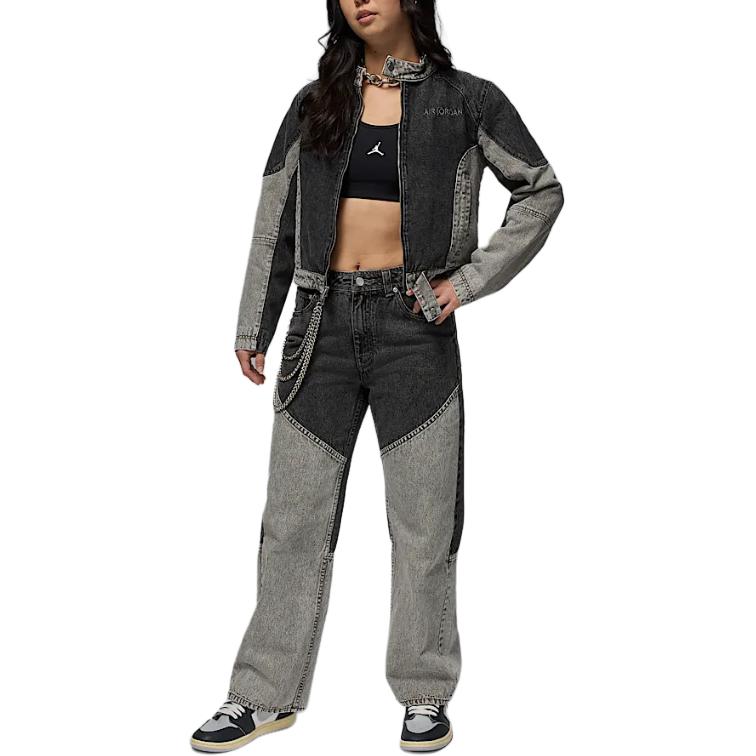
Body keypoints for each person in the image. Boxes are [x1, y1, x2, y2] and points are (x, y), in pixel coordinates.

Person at [191, 0, 564, 751]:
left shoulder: (469, 101)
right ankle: (263, 696)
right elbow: (275, 221)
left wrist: (468, 281)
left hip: (415, 330)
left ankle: (424, 694)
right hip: (318, 329)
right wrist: (253, 324)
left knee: (424, 526)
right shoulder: (314, 103)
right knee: (290, 524)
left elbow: (541, 190)